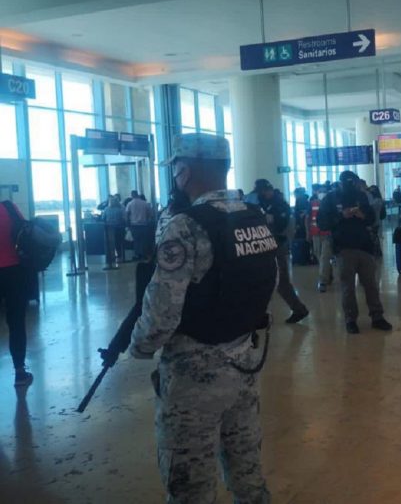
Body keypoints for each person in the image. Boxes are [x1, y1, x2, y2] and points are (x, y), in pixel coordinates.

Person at [130, 133, 278, 503]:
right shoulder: (254, 216)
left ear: (184, 170)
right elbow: (270, 281)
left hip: (194, 374)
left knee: (190, 482)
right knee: (246, 469)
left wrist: (139, 346)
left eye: (176, 169)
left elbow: (163, 311)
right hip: (245, 359)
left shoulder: (185, 225)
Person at [318, 171, 392, 334]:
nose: (351, 185)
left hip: (364, 246)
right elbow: (322, 223)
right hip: (343, 248)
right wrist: (341, 216)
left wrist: (362, 215)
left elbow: (372, 218)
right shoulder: (330, 199)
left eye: (353, 182)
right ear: (341, 182)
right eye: (348, 182)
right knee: (347, 287)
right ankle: (350, 319)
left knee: (371, 284)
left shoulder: (361, 196)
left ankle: (377, 316)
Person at [255, 179, 309, 324]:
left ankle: (298, 309)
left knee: (281, 280)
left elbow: (281, 225)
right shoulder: (259, 204)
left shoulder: (280, 205)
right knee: (263, 280)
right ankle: (261, 314)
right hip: (262, 245)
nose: (263, 194)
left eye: (265, 191)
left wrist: (268, 219)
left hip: (277, 245)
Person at [0, 200, 33, 387]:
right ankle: (19, 372)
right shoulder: (10, 208)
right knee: (16, 323)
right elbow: (25, 234)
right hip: (14, 272)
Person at [306, 185, 333, 292]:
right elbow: (307, 218)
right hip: (315, 233)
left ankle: (323, 281)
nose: (322, 193)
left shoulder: (330, 203)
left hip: (328, 234)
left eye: (324, 191)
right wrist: (308, 233)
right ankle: (329, 274)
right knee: (318, 255)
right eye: (320, 191)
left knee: (324, 256)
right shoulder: (312, 204)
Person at [126, 193, 154, 260]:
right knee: (143, 241)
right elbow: (150, 214)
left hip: (134, 225)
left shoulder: (130, 203)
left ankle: (137, 255)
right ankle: (144, 254)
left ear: (132, 195)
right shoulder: (145, 203)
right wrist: (147, 220)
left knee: (136, 241)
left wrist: (128, 224)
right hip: (144, 225)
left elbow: (127, 214)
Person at [102, 195, 126, 269]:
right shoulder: (119, 209)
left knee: (110, 244)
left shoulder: (106, 209)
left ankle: (110, 258)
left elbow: (103, 218)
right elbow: (123, 218)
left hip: (109, 228)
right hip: (119, 228)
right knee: (118, 243)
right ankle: (119, 257)